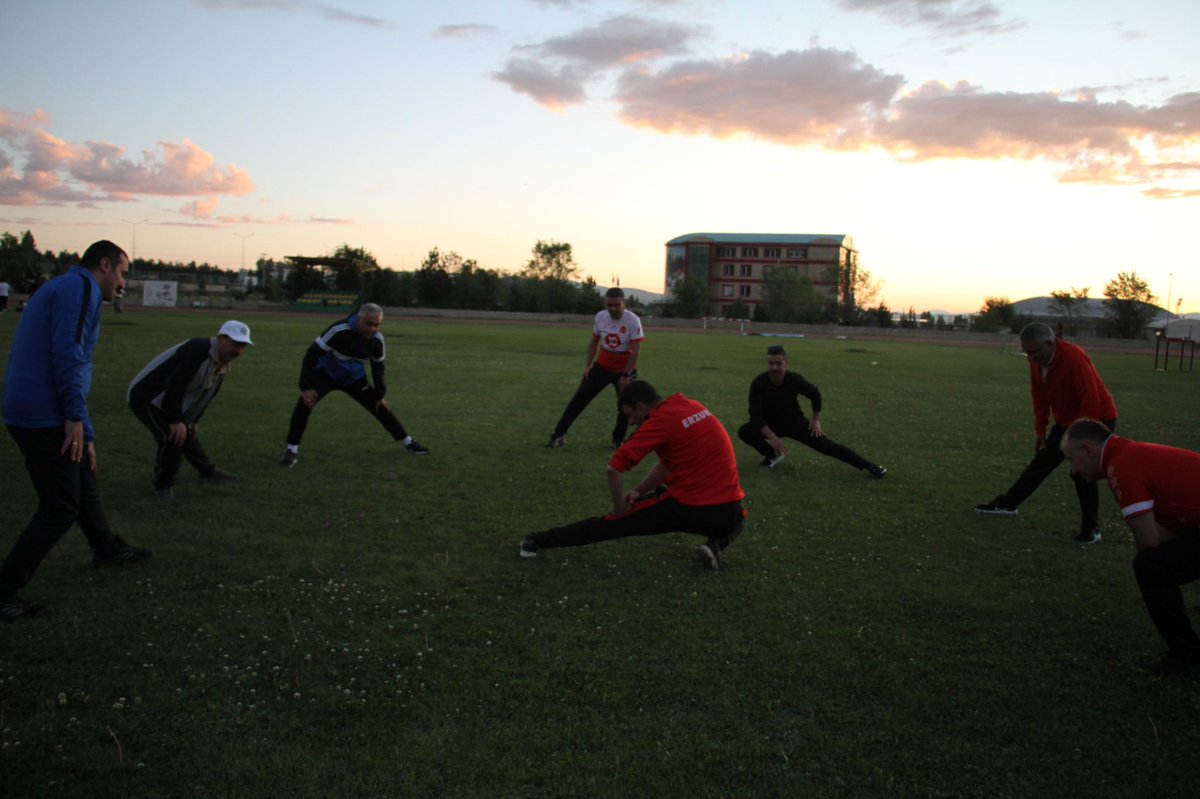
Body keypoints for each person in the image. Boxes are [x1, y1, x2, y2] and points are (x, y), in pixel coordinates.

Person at [0, 240, 153, 622]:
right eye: (121, 273)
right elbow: (68, 353)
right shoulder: (80, 288)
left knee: (83, 477)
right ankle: (3, 592)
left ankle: (106, 548)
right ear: (104, 264)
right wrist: (73, 416)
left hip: (36, 407)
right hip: (43, 413)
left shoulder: (63, 287)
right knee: (60, 507)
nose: (122, 284)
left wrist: (85, 429)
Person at [522, 380, 745, 570]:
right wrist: (638, 491)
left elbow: (614, 468)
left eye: (629, 415)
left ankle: (535, 541)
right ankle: (716, 546)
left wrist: (619, 507)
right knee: (740, 519)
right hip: (729, 510)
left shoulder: (659, 420)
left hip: (691, 506)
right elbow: (667, 465)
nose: (630, 423)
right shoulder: (692, 406)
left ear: (640, 407)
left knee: (612, 523)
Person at [1060, 419, 1200, 675]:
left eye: (1071, 460)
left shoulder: (1121, 466)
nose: (1073, 471)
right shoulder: (1126, 453)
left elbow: (1149, 541)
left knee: (1150, 567)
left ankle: (1187, 655)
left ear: (1089, 451)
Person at [975, 322, 1117, 544]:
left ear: (1050, 343)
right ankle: (1008, 505)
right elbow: (1039, 397)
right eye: (1027, 352)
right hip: (1066, 421)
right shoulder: (1037, 362)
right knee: (1041, 463)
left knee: (1081, 473)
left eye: (1034, 352)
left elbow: (1090, 398)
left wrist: (1081, 437)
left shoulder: (1074, 357)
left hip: (1096, 419)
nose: (1030, 357)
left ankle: (1092, 529)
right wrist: (1040, 430)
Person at [281, 303, 427, 466]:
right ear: (358, 319)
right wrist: (306, 387)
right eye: (368, 324)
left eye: (376, 325)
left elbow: (378, 368)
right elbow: (312, 354)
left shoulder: (377, 341)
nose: (372, 328)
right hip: (326, 375)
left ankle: (408, 442)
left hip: (354, 379)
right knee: (304, 405)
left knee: (380, 407)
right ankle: (291, 450)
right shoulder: (339, 330)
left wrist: (379, 395)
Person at [127, 320, 254, 499]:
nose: (238, 351)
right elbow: (175, 385)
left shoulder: (222, 364)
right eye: (236, 344)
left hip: (168, 400)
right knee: (171, 438)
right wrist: (174, 420)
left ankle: (206, 471)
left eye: (243, 346)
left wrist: (193, 420)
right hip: (146, 397)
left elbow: (204, 396)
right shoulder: (196, 350)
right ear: (221, 338)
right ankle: (163, 486)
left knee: (187, 435)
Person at [737, 345, 887, 477]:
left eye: (778, 363)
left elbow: (815, 395)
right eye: (771, 364)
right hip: (770, 425)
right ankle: (773, 455)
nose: (775, 368)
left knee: (827, 446)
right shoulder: (759, 383)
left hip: (795, 423)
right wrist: (773, 438)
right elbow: (755, 415)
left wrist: (815, 420)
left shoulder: (794, 380)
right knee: (745, 432)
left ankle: (870, 466)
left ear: (786, 364)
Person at [547, 287, 644, 450]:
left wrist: (625, 375)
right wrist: (587, 366)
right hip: (602, 368)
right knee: (579, 399)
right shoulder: (600, 317)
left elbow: (636, 351)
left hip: (624, 370)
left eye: (616, 305)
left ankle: (617, 441)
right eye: (609, 305)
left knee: (625, 406)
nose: (613, 309)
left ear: (624, 303)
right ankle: (558, 435)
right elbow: (594, 342)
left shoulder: (633, 320)